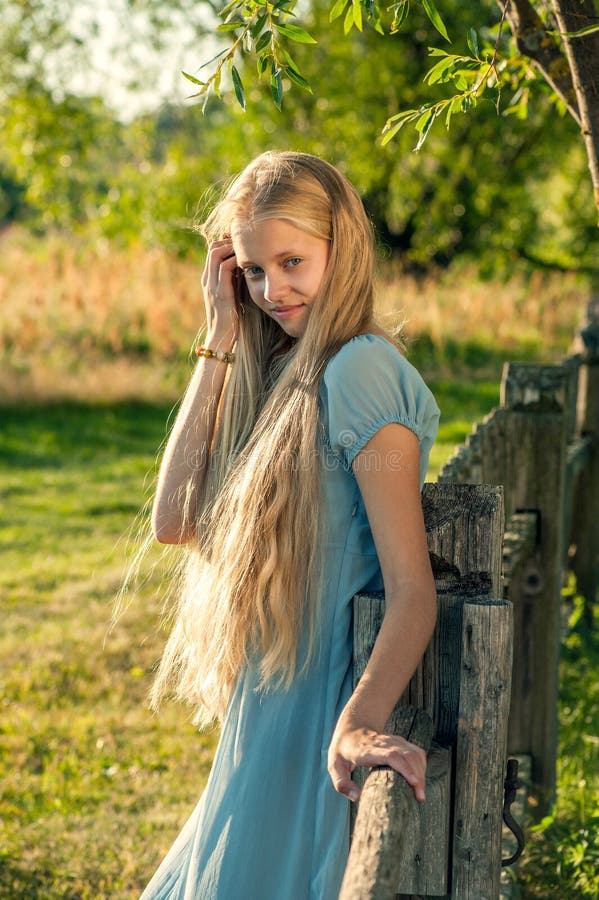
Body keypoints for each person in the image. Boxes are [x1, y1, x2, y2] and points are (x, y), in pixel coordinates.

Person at [141, 151, 440, 900]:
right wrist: (218, 334)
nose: (272, 290)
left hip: (318, 715)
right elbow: (174, 519)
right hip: (266, 710)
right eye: (251, 270)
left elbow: (411, 587)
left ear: (341, 249)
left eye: (292, 261)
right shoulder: (283, 373)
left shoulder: (359, 370)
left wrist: (357, 723)